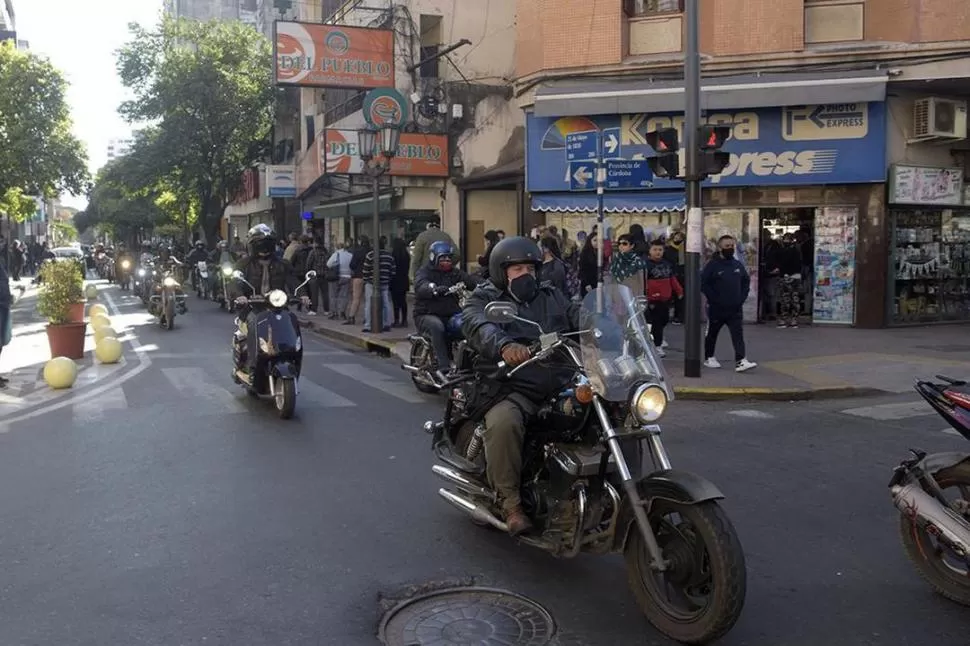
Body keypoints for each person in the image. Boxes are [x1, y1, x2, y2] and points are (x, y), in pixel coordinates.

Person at [462, 236, 581, 535]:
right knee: (505, 422)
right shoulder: (484, 298)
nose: (525, 274)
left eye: (530, 267)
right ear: (502, 272)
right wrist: (504, 345)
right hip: (512, 385)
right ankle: (510, 502)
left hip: (559, 380)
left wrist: (610, 320)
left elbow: (576, 315)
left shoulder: (551, 295)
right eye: (517, 269)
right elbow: (478, 325)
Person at [232, 225, 308, 376]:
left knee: (291, 320)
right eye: (261, 244)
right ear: (253, 245)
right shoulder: (244, 264)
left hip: (277, 306)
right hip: (253, 307)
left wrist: (303, 294)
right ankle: (253, 366)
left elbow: (292, 280)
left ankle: (293, 358)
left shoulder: (282, 264)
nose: (264, 248)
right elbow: (234, 282)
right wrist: (240, 296)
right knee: (254, 323)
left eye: (267, 244)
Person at [413, 241, 478, 378]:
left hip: (451, 313)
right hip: (426, 313)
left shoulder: (455, 273)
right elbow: (421, 284)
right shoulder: (425, 271)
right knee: (437, 327)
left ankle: (470, 363)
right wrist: (433, 289)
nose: (447, 261)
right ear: (433, 257)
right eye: (443, 258)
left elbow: (470, 281)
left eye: (449, 258)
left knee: (469, 323)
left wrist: (486, 285)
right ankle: (444, 367)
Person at [701, 235, 757, 373]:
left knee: (738, 335)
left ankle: (741, 360)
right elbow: (703, 283)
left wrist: (741, 298)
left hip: (735, 308)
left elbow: (745, 281)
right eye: (727, 246)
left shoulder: (737, 265)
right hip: (716, 308)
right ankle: (709, 357)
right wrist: (714, 298)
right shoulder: (712, 265)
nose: (730, 248)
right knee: (712, 334)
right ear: (720, 248)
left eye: (732, 245)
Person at [644, 240, 683, 357]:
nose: (658, 252)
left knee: (664, 320)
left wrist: (679, 291)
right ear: (650, 251)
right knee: (656, 323)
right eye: (655, 250)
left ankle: (656, 339)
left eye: (660, 250)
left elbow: (672, 280)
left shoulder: (667, 264)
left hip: (665, 298)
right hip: (652, 299)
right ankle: (657, 346)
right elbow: (642, 281)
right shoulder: (645, 265)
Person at [361, 235, 395, 333]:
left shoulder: (370, 255)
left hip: (371, 283)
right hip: (385, 283)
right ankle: (386, 323)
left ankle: (368, 325)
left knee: (368, 304)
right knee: (386, 304)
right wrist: (388, 279)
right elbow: (393, 270)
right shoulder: (389, 256)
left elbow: (365, 271)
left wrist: (367, 279)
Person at [409, 218, 457, 283]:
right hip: (444, 274)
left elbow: (416, 259)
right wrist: (447, 264)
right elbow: (457, 254)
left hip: (426, 275)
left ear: (428, 225)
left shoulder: (422, 236)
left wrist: (413, 276)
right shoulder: (446, 236)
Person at [775, 233, 803, 328]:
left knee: (785, 299)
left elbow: (780, 264)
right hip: (795, 277)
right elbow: (799, 265)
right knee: (794, 299)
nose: (785, 241)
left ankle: (784, 319)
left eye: (786, 240)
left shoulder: (782, 251)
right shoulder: (796, 251)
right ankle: (793, 320)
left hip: (785, 277)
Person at [326, 241, 353, 320]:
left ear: (337, 247)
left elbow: (328, 264)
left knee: (333, 295)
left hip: (336, 277)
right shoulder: (350, 255)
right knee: (344, 296)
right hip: (347, 277)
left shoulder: (336, 254)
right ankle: (342, 312)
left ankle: (334, 313)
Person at [390, 237, 411, 327]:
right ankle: (404, 320)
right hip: (404, 279)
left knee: (395, 302)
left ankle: (396, 320)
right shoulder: (406, 255)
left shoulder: (393, 255)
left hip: (394, 280)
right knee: (403, 301)